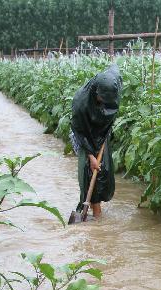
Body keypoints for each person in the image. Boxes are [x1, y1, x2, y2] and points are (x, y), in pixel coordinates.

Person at [70, 64, 122, 220]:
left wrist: (105, 132)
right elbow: (79, 132)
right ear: (95, 92)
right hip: (82, 133)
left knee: (102, 170)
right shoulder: (80, 102)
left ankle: (96, 211)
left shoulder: (114, 83)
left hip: (101, 131)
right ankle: (96, 213)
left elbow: (115, 67)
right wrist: (91, 156)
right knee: (88, 170)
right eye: (102, 99)